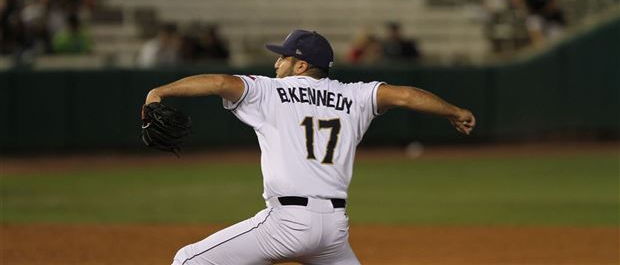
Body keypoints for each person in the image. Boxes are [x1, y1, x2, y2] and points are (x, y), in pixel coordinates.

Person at [143, 29, 475, 265]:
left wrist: (160, 91)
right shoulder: (354, 95)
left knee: (188, 260)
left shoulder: (270, 90)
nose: (276, 64)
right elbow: (404, 95)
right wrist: (455, 112)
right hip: (333, 232)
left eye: (283, 58)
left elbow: (218, 82)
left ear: (300, 65)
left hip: (286, 223)